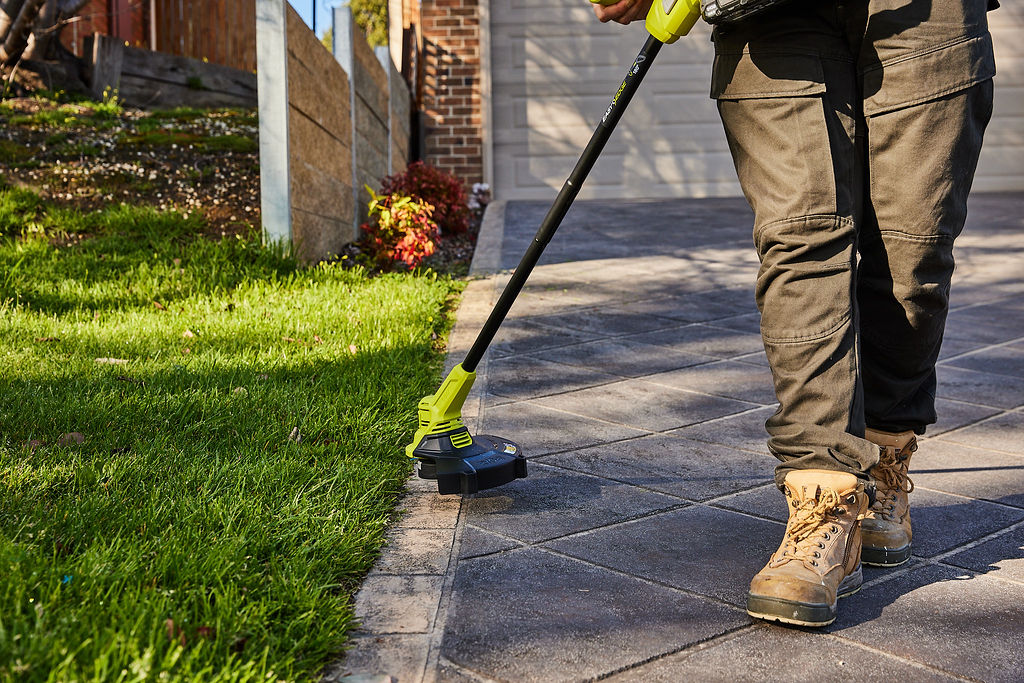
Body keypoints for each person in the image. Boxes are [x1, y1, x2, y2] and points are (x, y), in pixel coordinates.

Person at [592, 0, 996, 626]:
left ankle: (886, 463)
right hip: (765, 14)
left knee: (911, 253)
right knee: (800, 240)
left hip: (923, 10)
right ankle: (823, 504)